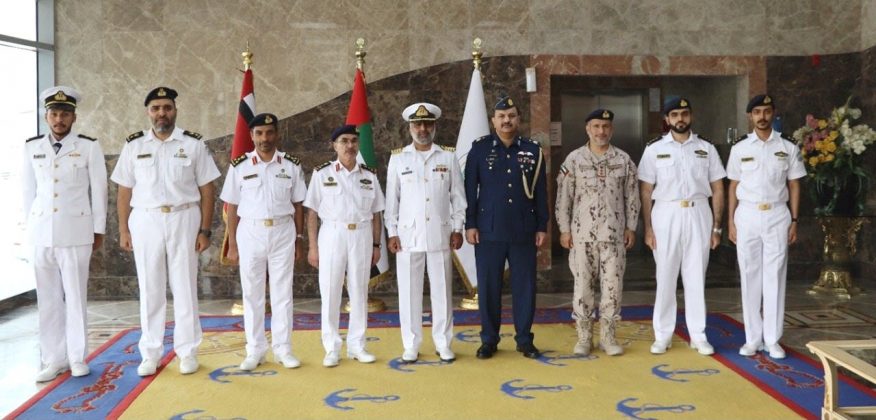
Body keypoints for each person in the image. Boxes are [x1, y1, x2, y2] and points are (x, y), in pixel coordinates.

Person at [110, 87, 220, 376]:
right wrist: (123, 228)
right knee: (150, 288)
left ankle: (188, 351)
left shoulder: (193, 144)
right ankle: (151, 352)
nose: (162, 113)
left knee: (185, 286)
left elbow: (207, 189)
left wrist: (205, 230)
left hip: (184, 218)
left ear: (175, 110)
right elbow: (124, 191)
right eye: (156, 108)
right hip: (145, 221)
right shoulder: (134, 145)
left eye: (167, 108)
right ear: (148, 112)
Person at [22, 86, 108, 382]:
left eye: (65, 114)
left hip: (76, 232)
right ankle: (53, 358)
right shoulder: (31, 147)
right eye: (54, 113)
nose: (59, 119)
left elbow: (99, 190)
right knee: (47, 299)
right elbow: (27, 193)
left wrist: (98, 230)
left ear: (74, 117)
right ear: (46, 116)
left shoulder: (88, 146)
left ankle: (77, 356)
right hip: (41, 233)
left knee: (75, 296)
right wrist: (29, 230)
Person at [638, 97, 726, 356]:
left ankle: (698, 335)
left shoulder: (706, 148)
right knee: (665, 276)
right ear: (666, 119)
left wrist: (717, 227)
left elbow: (718, 187)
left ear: (691, 116)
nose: (680, 119)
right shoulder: (654, 149)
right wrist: (649, 228)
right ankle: (663, 335)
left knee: (696, 276)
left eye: (684, 114)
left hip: (699, 212)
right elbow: (645, 190)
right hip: (666, 213)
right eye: (674, 114)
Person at [220, 113, 306, 370]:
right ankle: (255, 350)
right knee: (252, 293)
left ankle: (283, 349)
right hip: (250, 233)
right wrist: (232, 244)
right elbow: (232, 207)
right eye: (259, 133)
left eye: (269, 133)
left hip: (283, 232)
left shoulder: (290, 165)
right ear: (251, 136)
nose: (264, 138)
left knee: (283, 293)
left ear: (277, 134)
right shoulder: (239, 166)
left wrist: (299, 239)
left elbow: (298, 204)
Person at [464, 96, 548, 360]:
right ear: (493, 121)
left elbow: (542, 192)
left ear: (518, 119)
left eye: (511, 115)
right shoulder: (479, 149)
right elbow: (469, 190)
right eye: (501, 116)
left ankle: (524, 339)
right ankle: (489, 339)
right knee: (488, 287)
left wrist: (542, 225)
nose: (506, 120)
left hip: (523, 229)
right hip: (488, 230)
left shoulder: (533, 150)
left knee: (525, 287)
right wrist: (470, 223)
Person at [385, 103, 466, 363]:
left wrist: (458, 227)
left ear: (435, 126)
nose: (423, 129)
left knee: (442, 292)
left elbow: (458, 197)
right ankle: (411, 343)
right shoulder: (398, 158)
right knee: (409, 293)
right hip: (408, 236)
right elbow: (391, 201)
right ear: (409, 127)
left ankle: (443, 343)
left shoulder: (448, 157)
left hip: (440, 234)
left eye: (428, 124)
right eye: (417, 125)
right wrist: (392, 232)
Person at [555, 109, 640, 357]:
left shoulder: (623, 160)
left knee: (612, 287)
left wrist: (631, 227)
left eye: (605, 126)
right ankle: (583, 337)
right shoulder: (574, 159)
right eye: (596, 126)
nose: (601, 131)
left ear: (611, 130)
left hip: (613, 237)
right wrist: (563, 229)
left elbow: (632, 197)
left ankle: (608, 336)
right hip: (581, 236)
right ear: (587, 129)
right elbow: (564, 198)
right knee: (582, 288)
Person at [727, 95, 805, 360]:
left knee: (774, 276)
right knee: (749, 275)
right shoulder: (740, 148)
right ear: (750, 116)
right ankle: (752, 338)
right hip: (747, 214)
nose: (762, 116)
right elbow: (733, 186)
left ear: (773, 114)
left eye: (767, 111)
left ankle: (772, 339)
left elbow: (794, 184)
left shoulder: (787, 146)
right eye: (757, 112)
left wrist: (794, 220)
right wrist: (730, 221)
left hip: (777, 215)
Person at [305, 125, 385, 367]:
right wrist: (312, 247)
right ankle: (331, 347)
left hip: (361, 235)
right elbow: (311, 213)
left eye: (353, 141)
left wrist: (376, 244)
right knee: (330, 291)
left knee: (359, 291)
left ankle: (357, 345)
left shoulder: (369, 176)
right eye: (344, 141)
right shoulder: (322, 174)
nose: (349, 145)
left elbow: (377, 214)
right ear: (335, 145)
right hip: (332, 234)